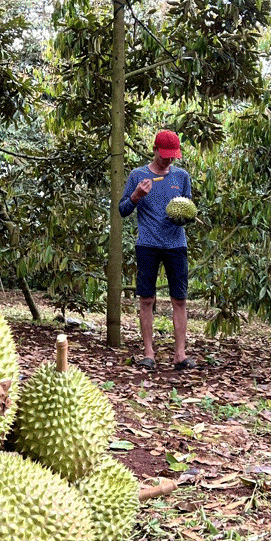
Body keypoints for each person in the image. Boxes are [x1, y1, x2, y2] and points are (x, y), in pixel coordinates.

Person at [119, 129, 196, 371]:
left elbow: (188, 209)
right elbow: (123, 210)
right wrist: (135, 196)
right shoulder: (137, 175)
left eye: (173, 156)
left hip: (176, 245)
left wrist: (184, 218)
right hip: (148, 244)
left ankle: (180, 354)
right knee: (147, 299)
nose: (169, 160)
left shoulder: (181, 177)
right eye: (165, 156)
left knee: (179, 299)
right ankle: (149, 353)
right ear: (154, 151)